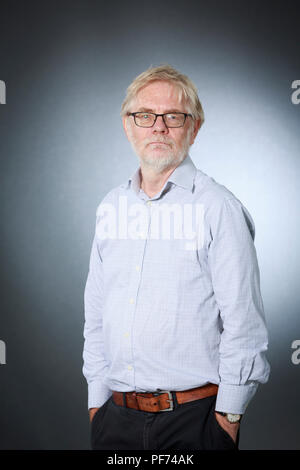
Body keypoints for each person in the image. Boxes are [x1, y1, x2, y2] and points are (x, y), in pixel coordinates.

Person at [82, 64, 271, 450]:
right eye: (145, 115)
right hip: (114, 421)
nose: (158, 127)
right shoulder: (111, 207)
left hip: (195, 423)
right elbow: (96, 319)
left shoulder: (218, 207)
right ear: (127, 125)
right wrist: (96, 405)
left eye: (173, 116)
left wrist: (227, 420)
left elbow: (244, 325)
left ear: (194, 127)